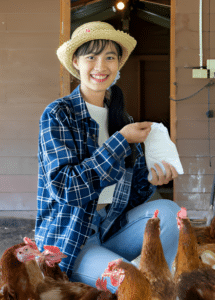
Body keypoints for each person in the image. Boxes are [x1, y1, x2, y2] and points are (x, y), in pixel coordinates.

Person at [35, 21, 181, 292]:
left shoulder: (122, 118)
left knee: (171, 212)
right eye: (91, 56)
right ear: (77, 62)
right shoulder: (58, 114)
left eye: (109, 57)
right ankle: (144, 286)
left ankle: (164, 280)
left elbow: (129, 196)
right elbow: (67, 188)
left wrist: (152, 177)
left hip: (112, 227)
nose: (101, 66)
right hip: (71, 239)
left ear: (118, 65)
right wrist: (120, 141)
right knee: (133, 283)